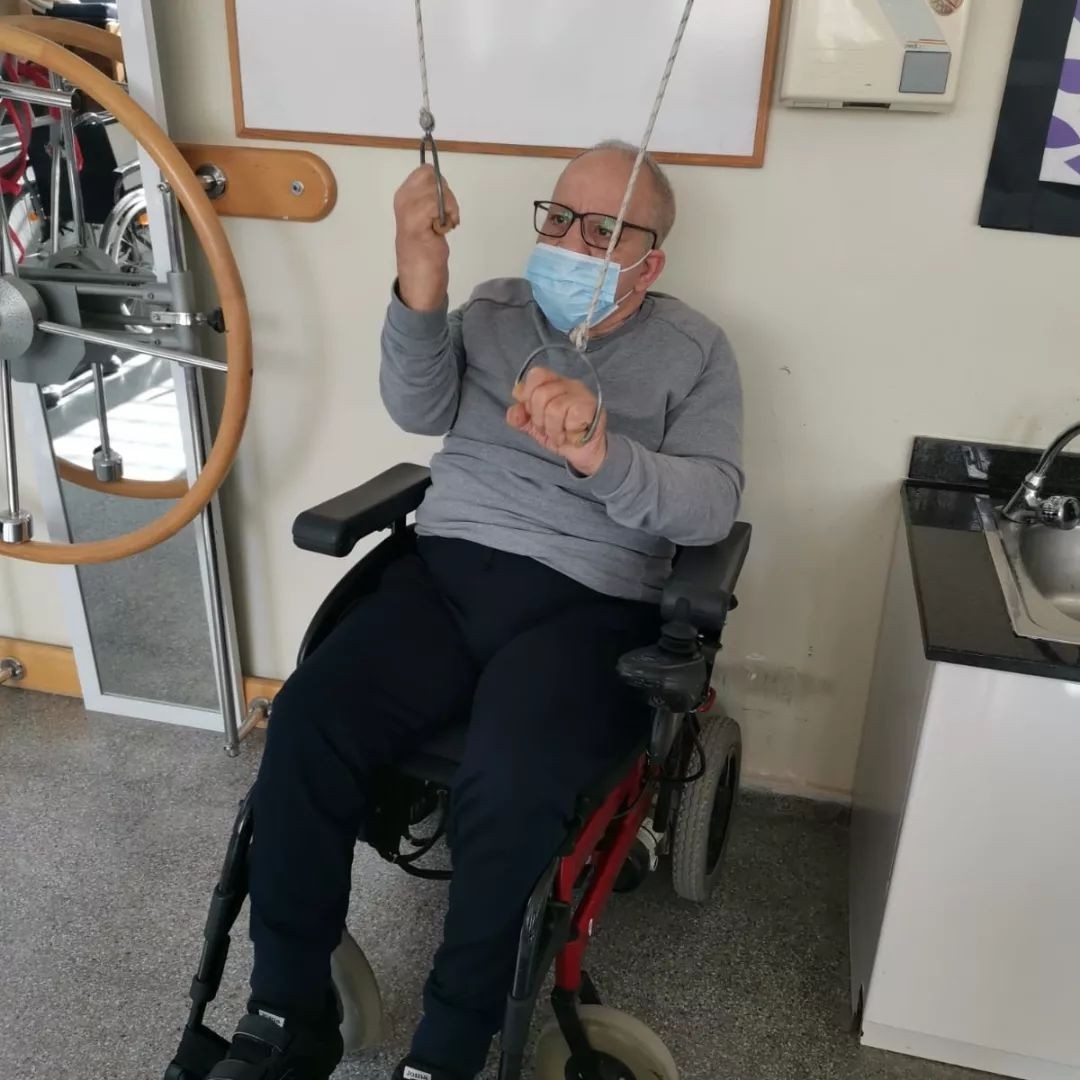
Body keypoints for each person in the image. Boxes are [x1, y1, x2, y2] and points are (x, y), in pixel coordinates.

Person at [208, 140, 744, 1080]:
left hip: (589, 600)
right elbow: (416, 407)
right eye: (560, 217)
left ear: (649, 262)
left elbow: (710, 506)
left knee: (511, 778)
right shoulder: (496, 308)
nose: (571, 243)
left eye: (604, 229)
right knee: (307, 720)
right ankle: (286, 1010)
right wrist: (419, 285)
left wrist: (599, 449)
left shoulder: (695, 351)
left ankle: (450, 1046)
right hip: (447, 574)